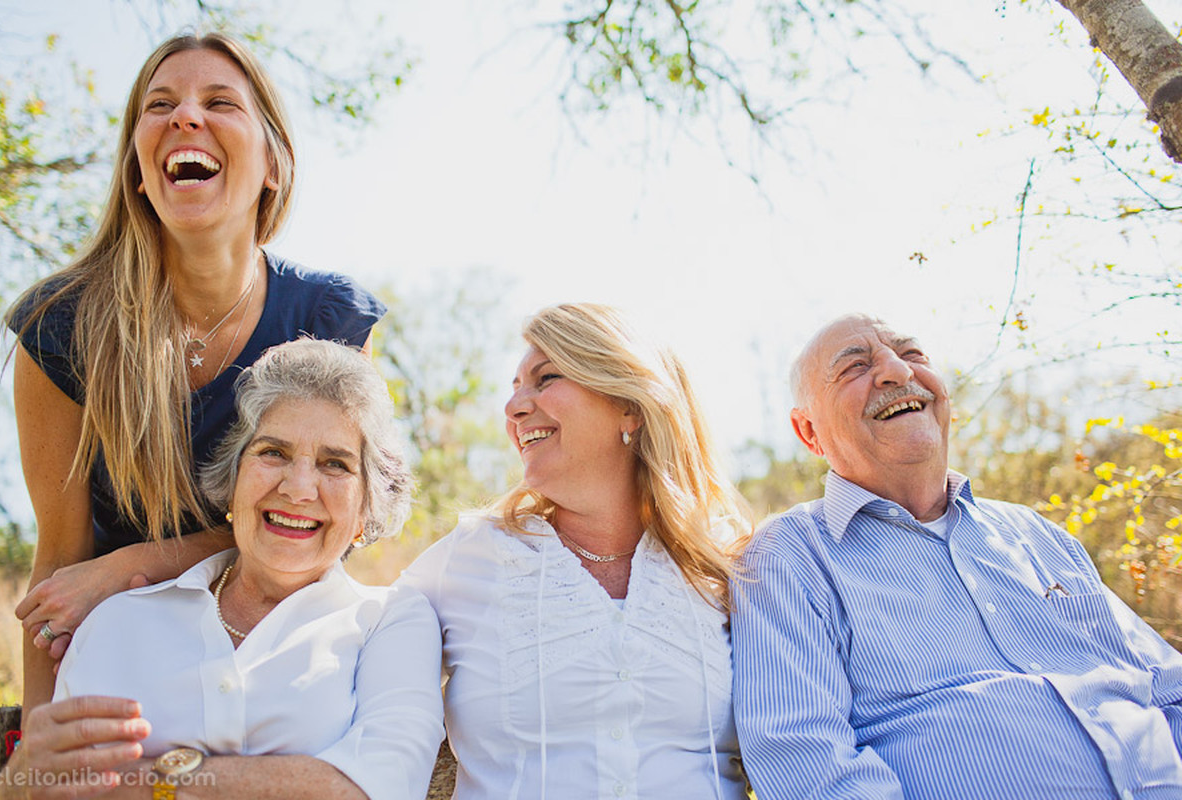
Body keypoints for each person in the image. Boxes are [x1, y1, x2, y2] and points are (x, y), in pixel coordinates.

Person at [4, 32, 386, 711]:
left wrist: (135, 564)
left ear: (273, 164)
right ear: (138, 169)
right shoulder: (61, 330)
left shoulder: (330, 321)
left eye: (219, 102)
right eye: (160, 104)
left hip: (280, 657)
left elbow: (331, 522)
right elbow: (61, 569)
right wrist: (33, 749)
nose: (185, 117)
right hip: (122, 673)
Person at [731, 312, 1182, 800]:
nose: (897, 373)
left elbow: (1167, 689)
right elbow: (804, 761)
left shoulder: (1034, 534)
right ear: (808, 433)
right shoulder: (791, 555)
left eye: (912, 355)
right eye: (855, 367)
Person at [0, 339, 443, 800]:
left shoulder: (390, 621)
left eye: (336, 464)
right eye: (273, 453)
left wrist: (147, 781)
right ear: (231, 484)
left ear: (365, 511)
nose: (299, 488)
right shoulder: (117, 621)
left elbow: (373, 789)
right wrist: (20, 780)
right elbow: (49, 787)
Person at [399, 303, 752, 800]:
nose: (514, 407)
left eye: (545, 379)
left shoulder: (729, 565)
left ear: (628, 405)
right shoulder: (468, 559)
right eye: (515, 386)